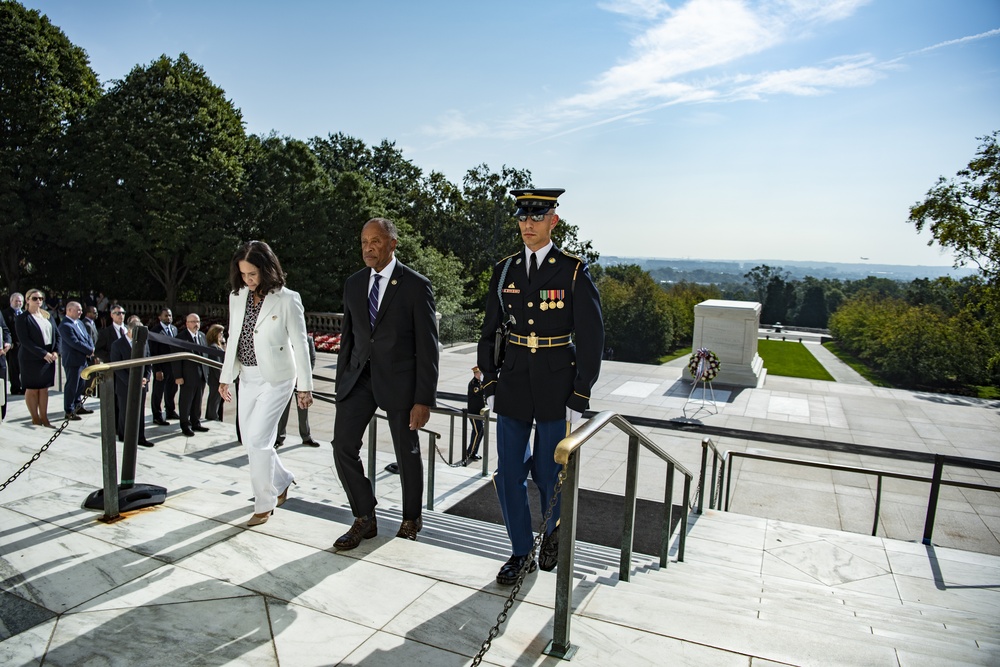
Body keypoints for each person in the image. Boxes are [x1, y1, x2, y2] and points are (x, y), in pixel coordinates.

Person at [478, 188, 604, 585]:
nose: (528, 224)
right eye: (522, 217)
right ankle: (519, 551)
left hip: (555, 381)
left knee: (549, 473)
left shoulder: (571, 270)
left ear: (553, 221)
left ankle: (552, 531)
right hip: (514, 379)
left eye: (537, 217)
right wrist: (491, 379)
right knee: (508, 472)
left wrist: (580, 392)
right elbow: (489, 330)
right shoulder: (505, 270)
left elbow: (591, 334)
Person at [332, 217, 439, 549]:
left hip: (401, 383)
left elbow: (428, 346)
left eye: (375, 241)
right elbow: (348, 338)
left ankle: (411, 517)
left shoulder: (416, 285)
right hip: (359, 378)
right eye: (364, 241)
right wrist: (341, 384)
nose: (368, 247)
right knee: (342, 446)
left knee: (406, 451)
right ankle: (365, 516)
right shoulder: (353, 284)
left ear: (393, 243)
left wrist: (424, 399)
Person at [218, 240, 314, 528]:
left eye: (253, 274)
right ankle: (282, 480)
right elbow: (233, 337)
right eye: (243, 274)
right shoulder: (237, 296)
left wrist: (305, 387)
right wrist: (225, 378)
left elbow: (300, 342)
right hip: (246, 376)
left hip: (278, 378)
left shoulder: (287, 298)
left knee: (260, 440)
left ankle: (264, 503)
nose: (247, 280)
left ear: (267, 269)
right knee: (249, 440)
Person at [15, 288, 60, 427]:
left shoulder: (47, 316)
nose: (38, 301)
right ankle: (35, 418)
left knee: (44, 388)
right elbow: (25, 340)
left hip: (48, 356)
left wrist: (56, 352)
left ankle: (45, 418)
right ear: (27, 300)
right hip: (31, 357)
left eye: (40, 299)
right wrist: (43, 354)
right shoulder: (22, 318)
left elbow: (57, 335)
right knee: (33, 388)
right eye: (35, 298)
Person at [111, 316, 154, 447]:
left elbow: (148, 362)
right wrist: (132, 381)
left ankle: (140, 437)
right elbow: (117, 368)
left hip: (141, 385)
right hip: (125, 386)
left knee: (140, 413)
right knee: (125, 412)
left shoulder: (144, 343)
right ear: (129, 331)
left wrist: (146, 378)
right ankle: (124, 437)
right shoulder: (117, 345)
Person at [275, 333, 320, 447]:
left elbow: (312, 359)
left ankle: (306, 436)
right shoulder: (285, 338)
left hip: (301, 382)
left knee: (303, 410)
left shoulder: (308, 339)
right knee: (283, 410)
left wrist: (304, 377)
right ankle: (279, 437)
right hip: (286, 379)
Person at [57, 301, 96, 420]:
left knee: (80, 385)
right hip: (72, 360)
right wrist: (89, 350)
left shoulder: (79, 322)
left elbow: (87, 337)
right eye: (78, 310)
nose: (80, 312)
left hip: (82, 359)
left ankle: (78, 405)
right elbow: (74, 342)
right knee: (72, 385)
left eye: (80, 310)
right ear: (69, 310)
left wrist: (91, 348)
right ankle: (69, 410)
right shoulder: (65, 325)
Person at [172, 313, 208, 437]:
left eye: (197, 321)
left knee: (198, 400)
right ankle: (185, 425)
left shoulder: (202, 336)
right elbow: (176, 359)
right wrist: (178, 376)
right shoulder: (181, 338)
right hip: (187, 376)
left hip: (201, 375)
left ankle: (195, 422)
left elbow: (206, 355)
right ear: (187, 323)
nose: (196, 324)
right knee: (186, 401)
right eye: (192, 322)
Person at [149, 308, 180, 424]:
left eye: (170, 316)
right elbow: (153, 352)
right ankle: (157, 415)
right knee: (158, 391)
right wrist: (157, 369)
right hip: (161, 366)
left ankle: (170, 411)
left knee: (171, 390)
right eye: (166, 316)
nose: (169, 318)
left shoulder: (174, 329)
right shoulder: (155, 331)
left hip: (173, 366)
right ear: (160, 317)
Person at [2, 293, 24, 395]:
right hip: (13, 346)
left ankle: (24, 387)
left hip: (24, 346)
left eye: (20, 301)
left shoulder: (24, 313)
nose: (18, 303)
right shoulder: (5, 314)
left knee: (23, 367)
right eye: (16, 301)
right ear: (11, 301)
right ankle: (15, 388)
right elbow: (5, 329)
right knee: (14, 368)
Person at [204, 323, 226, 422]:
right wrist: (222, 379)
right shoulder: (213, 347)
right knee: (214, 398)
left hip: (217, 377)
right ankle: (212, 416)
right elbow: (216, 366)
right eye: (220, 333)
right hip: (216, 377)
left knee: (218, 399)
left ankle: (215, 415)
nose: (222, 335)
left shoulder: (218, 345)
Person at [463, 365, 486, 465]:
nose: (480, 375)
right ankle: (469, 452)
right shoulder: (473, 384)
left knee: (480, 431)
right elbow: (480, 392)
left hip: (479, 412)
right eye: (479, 373)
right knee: (477, 431)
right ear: (476, 373)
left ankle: (473, 451)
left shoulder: (480, 383)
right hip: (473, 412)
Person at [0, 314, 10, 420]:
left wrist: (7, 342)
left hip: (0, 359)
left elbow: (5, 330)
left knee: (1, 391)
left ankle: (1, 416)